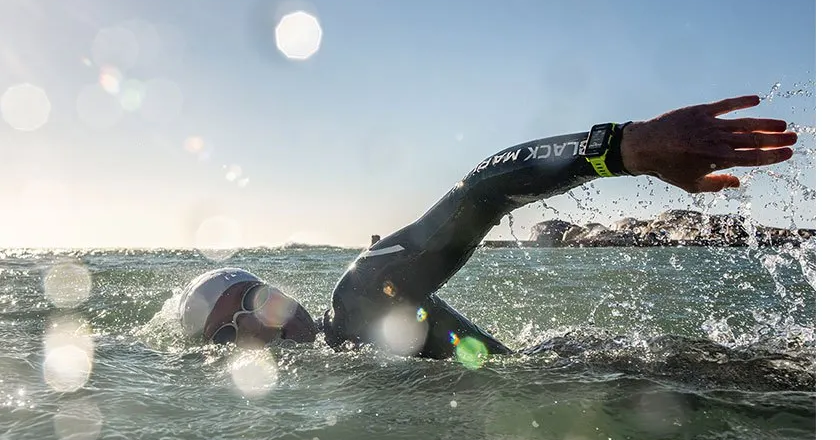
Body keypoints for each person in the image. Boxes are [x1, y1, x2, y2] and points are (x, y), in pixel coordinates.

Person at [177, 95, 797, 359]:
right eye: (228, 331)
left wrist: (625, 147)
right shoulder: (337, 372)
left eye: (252, 301)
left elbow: (480, 192)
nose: (254, 325)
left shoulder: (361, 297)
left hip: (595, 376)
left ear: (279, 293)